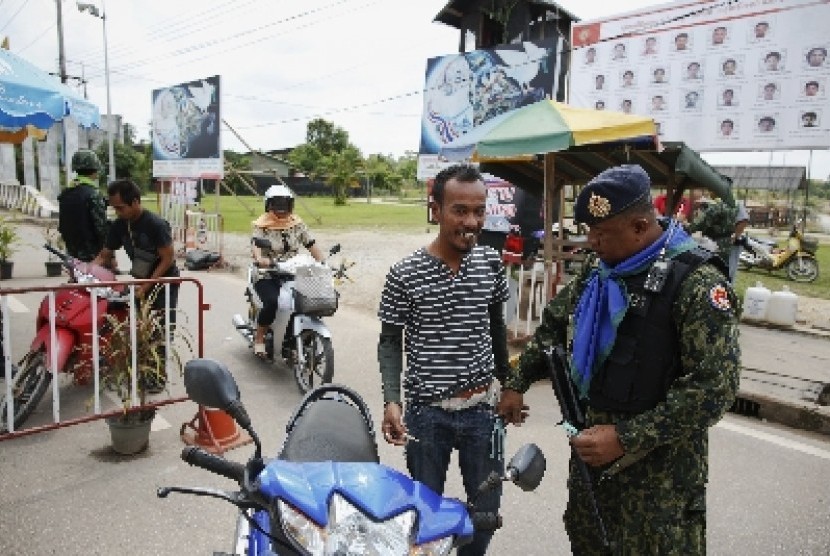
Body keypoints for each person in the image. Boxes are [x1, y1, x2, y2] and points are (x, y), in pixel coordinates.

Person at [497, 165, 740, 554]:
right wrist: (516, 382)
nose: (591, 243)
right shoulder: (602, 269)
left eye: (601, 234)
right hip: (593, 470)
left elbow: (714, 388)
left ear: (641, 227)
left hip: (658, 485)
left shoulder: (697, 284)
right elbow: (554, 326)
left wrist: (626, 438)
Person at [378, 164, 510, 556]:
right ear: (435, 209)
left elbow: (497, 330)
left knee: (484, 516)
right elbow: (389, 342)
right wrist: (392, 399)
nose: (471, 222)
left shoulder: (490, 264)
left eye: (479, 210)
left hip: (482, 412)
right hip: (426, 415)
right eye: (459, 210)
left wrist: (509, 386)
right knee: (424, 518)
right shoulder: (404, 274)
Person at [92, 179, 180, 392]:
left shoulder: (156, 225)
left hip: (163, 282)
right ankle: (138, 370)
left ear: (135, 202)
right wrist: (85, 271)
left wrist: (147, 286)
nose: (118, 212)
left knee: (159, 329)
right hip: (141, 281)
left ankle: (157, 378)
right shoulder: (120, 225)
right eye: (114, 208)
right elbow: (105, 254)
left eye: (121, 207)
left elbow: (167, 258)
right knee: (138, 328)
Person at [249, 184, 324, 358]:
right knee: (271, 302)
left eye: (285, 204)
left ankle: (292, 341)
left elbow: (311, 244)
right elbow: (256, 246)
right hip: (267, 272)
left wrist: (323, 263)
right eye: (277, 204)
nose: (282, 209)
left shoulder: (297, 224)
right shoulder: (261, 225)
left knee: (306, 302)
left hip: (292, 271)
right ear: (268, 205)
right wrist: (261, 259)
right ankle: (259, 339)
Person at [57, 150, 108, 262]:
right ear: (95, 170)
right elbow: (101, 228)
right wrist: (109, 254)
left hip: (72, 253)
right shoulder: (93, 194)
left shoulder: (66, 193)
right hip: (93, 255)